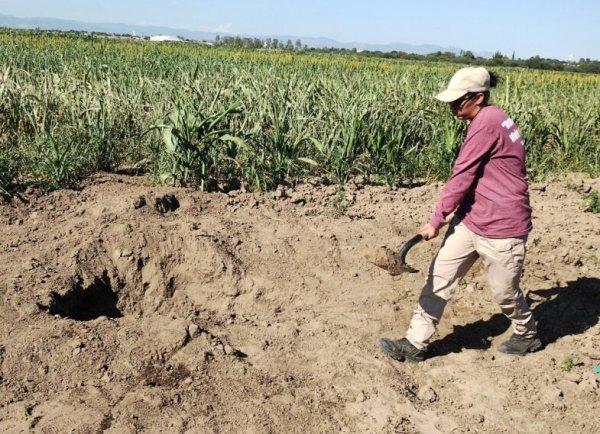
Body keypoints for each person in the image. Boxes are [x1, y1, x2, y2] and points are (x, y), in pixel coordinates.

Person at [378, 66, 542, 362]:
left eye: (459, 101)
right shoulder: (491, 117)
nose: (453, 108)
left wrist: (436, 220)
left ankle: (527, 333)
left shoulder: (487, 123)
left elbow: (461, 175)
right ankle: (415, 343)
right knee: (439, 275)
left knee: (505, 292)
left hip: (502, 225)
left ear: (478, 97)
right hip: (471, 219)